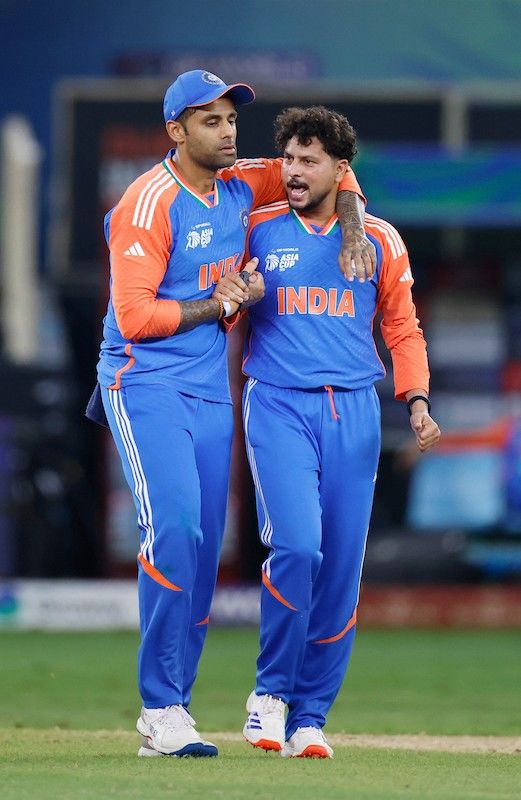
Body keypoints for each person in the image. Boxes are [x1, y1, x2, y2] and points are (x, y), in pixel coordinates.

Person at [89, 70, 373, 759]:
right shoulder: (147, 202)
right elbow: (136, 317)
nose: (227, 132)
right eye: (209, 120)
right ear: (175, 131)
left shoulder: (242, 183)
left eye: (230, 119)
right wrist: (220, 303)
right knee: (176, 531)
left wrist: (352, 232)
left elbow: (338, 171)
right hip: (142, 381)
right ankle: (159, 706)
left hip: (210, 387)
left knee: (203, 549)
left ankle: (175, 712)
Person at [214, 105, 441, 758]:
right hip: (278, 405)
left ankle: (310, 717)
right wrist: (236, 299)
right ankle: (269, 696)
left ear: (339, 170)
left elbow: (402, 327)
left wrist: (416, 400)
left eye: (308, 160)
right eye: (288, 158)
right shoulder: (256, 227)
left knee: (340, 570)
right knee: (298, 548)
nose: (293, 170)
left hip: (355, 413)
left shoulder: (380, 240)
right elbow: (223, 307)